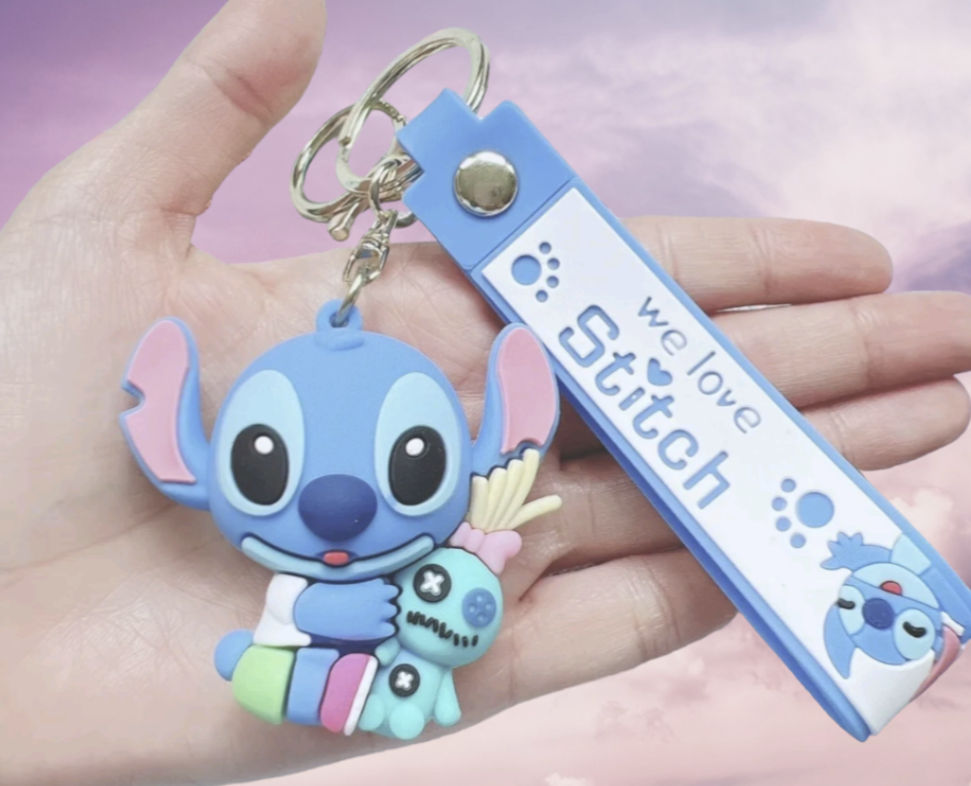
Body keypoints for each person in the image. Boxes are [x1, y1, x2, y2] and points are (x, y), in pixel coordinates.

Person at [2, 1, 971, 784]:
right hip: (310, 655)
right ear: (180, 457)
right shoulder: (302, 564)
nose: (336, 509)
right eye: (255, 465)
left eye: (415, 463)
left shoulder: (446, 523)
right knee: (277, 669)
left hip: (394, 649)